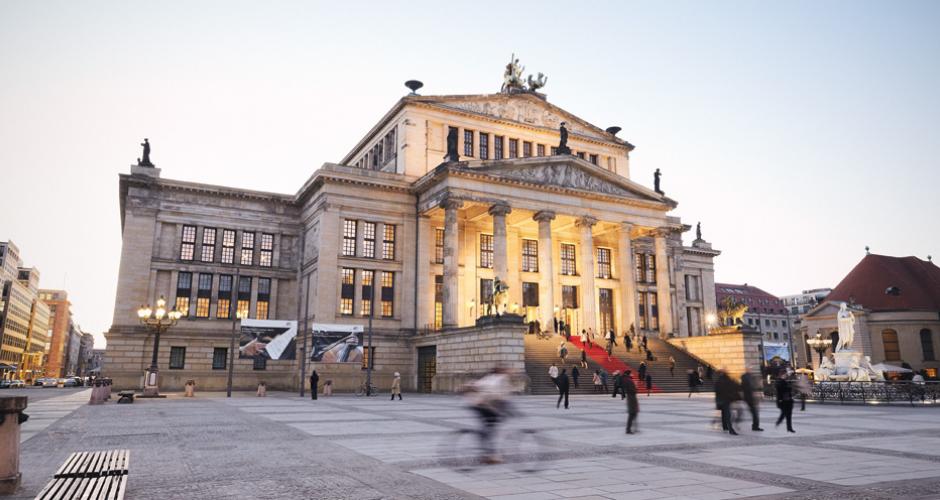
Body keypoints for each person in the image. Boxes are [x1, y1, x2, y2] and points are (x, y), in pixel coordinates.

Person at [463, 367, 513, 464]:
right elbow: (501, 397)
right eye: (508, 370)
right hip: (485, 406)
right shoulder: (502, 378)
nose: (511, 372)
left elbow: (474, 385)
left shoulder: (489, 377)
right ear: (502, 371)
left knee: (487, 428)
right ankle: (491, 456)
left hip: (475, 404)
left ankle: (486, 452)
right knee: (491, 430)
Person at [714, 370, 740, 435]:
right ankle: (731, 429)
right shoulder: (726, 381)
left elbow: (717, 393)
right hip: (726, 400)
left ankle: (725, 427)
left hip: (720, 400)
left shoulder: (717, 381)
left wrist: (717, 402)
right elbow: (730, 389)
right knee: (728, 415)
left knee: (723, 415)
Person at [624, 370, 639, 434]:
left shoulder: (627, 380)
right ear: (629, 374)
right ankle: (628, 429)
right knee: (632, 415)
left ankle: (632, 428)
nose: (632, 375)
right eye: (631, 374)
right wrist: (635, 387)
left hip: (631, 399)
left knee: (633, 414)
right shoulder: (629, 381)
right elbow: (633, 390)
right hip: (632, 399)